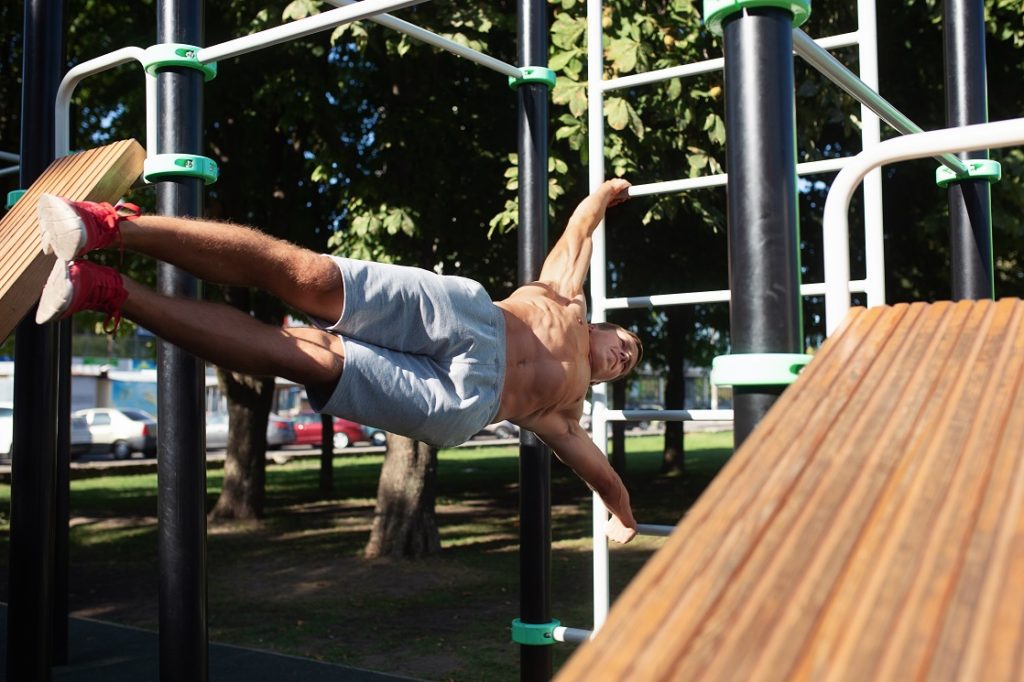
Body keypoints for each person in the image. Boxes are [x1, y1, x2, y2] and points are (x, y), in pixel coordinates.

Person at [34, 179, 642, 543]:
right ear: (602, 326)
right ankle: (106, 227)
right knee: (308, 275)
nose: (623, 359)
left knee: (305, 356)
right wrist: (605, 195)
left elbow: (601, 473)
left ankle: (104, 291)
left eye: (628, 366)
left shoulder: (565, 413)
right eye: (628, 347)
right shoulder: (563, 296)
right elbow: (580, 229)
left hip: (464, 405)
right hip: (470, 315)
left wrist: (623, 514)